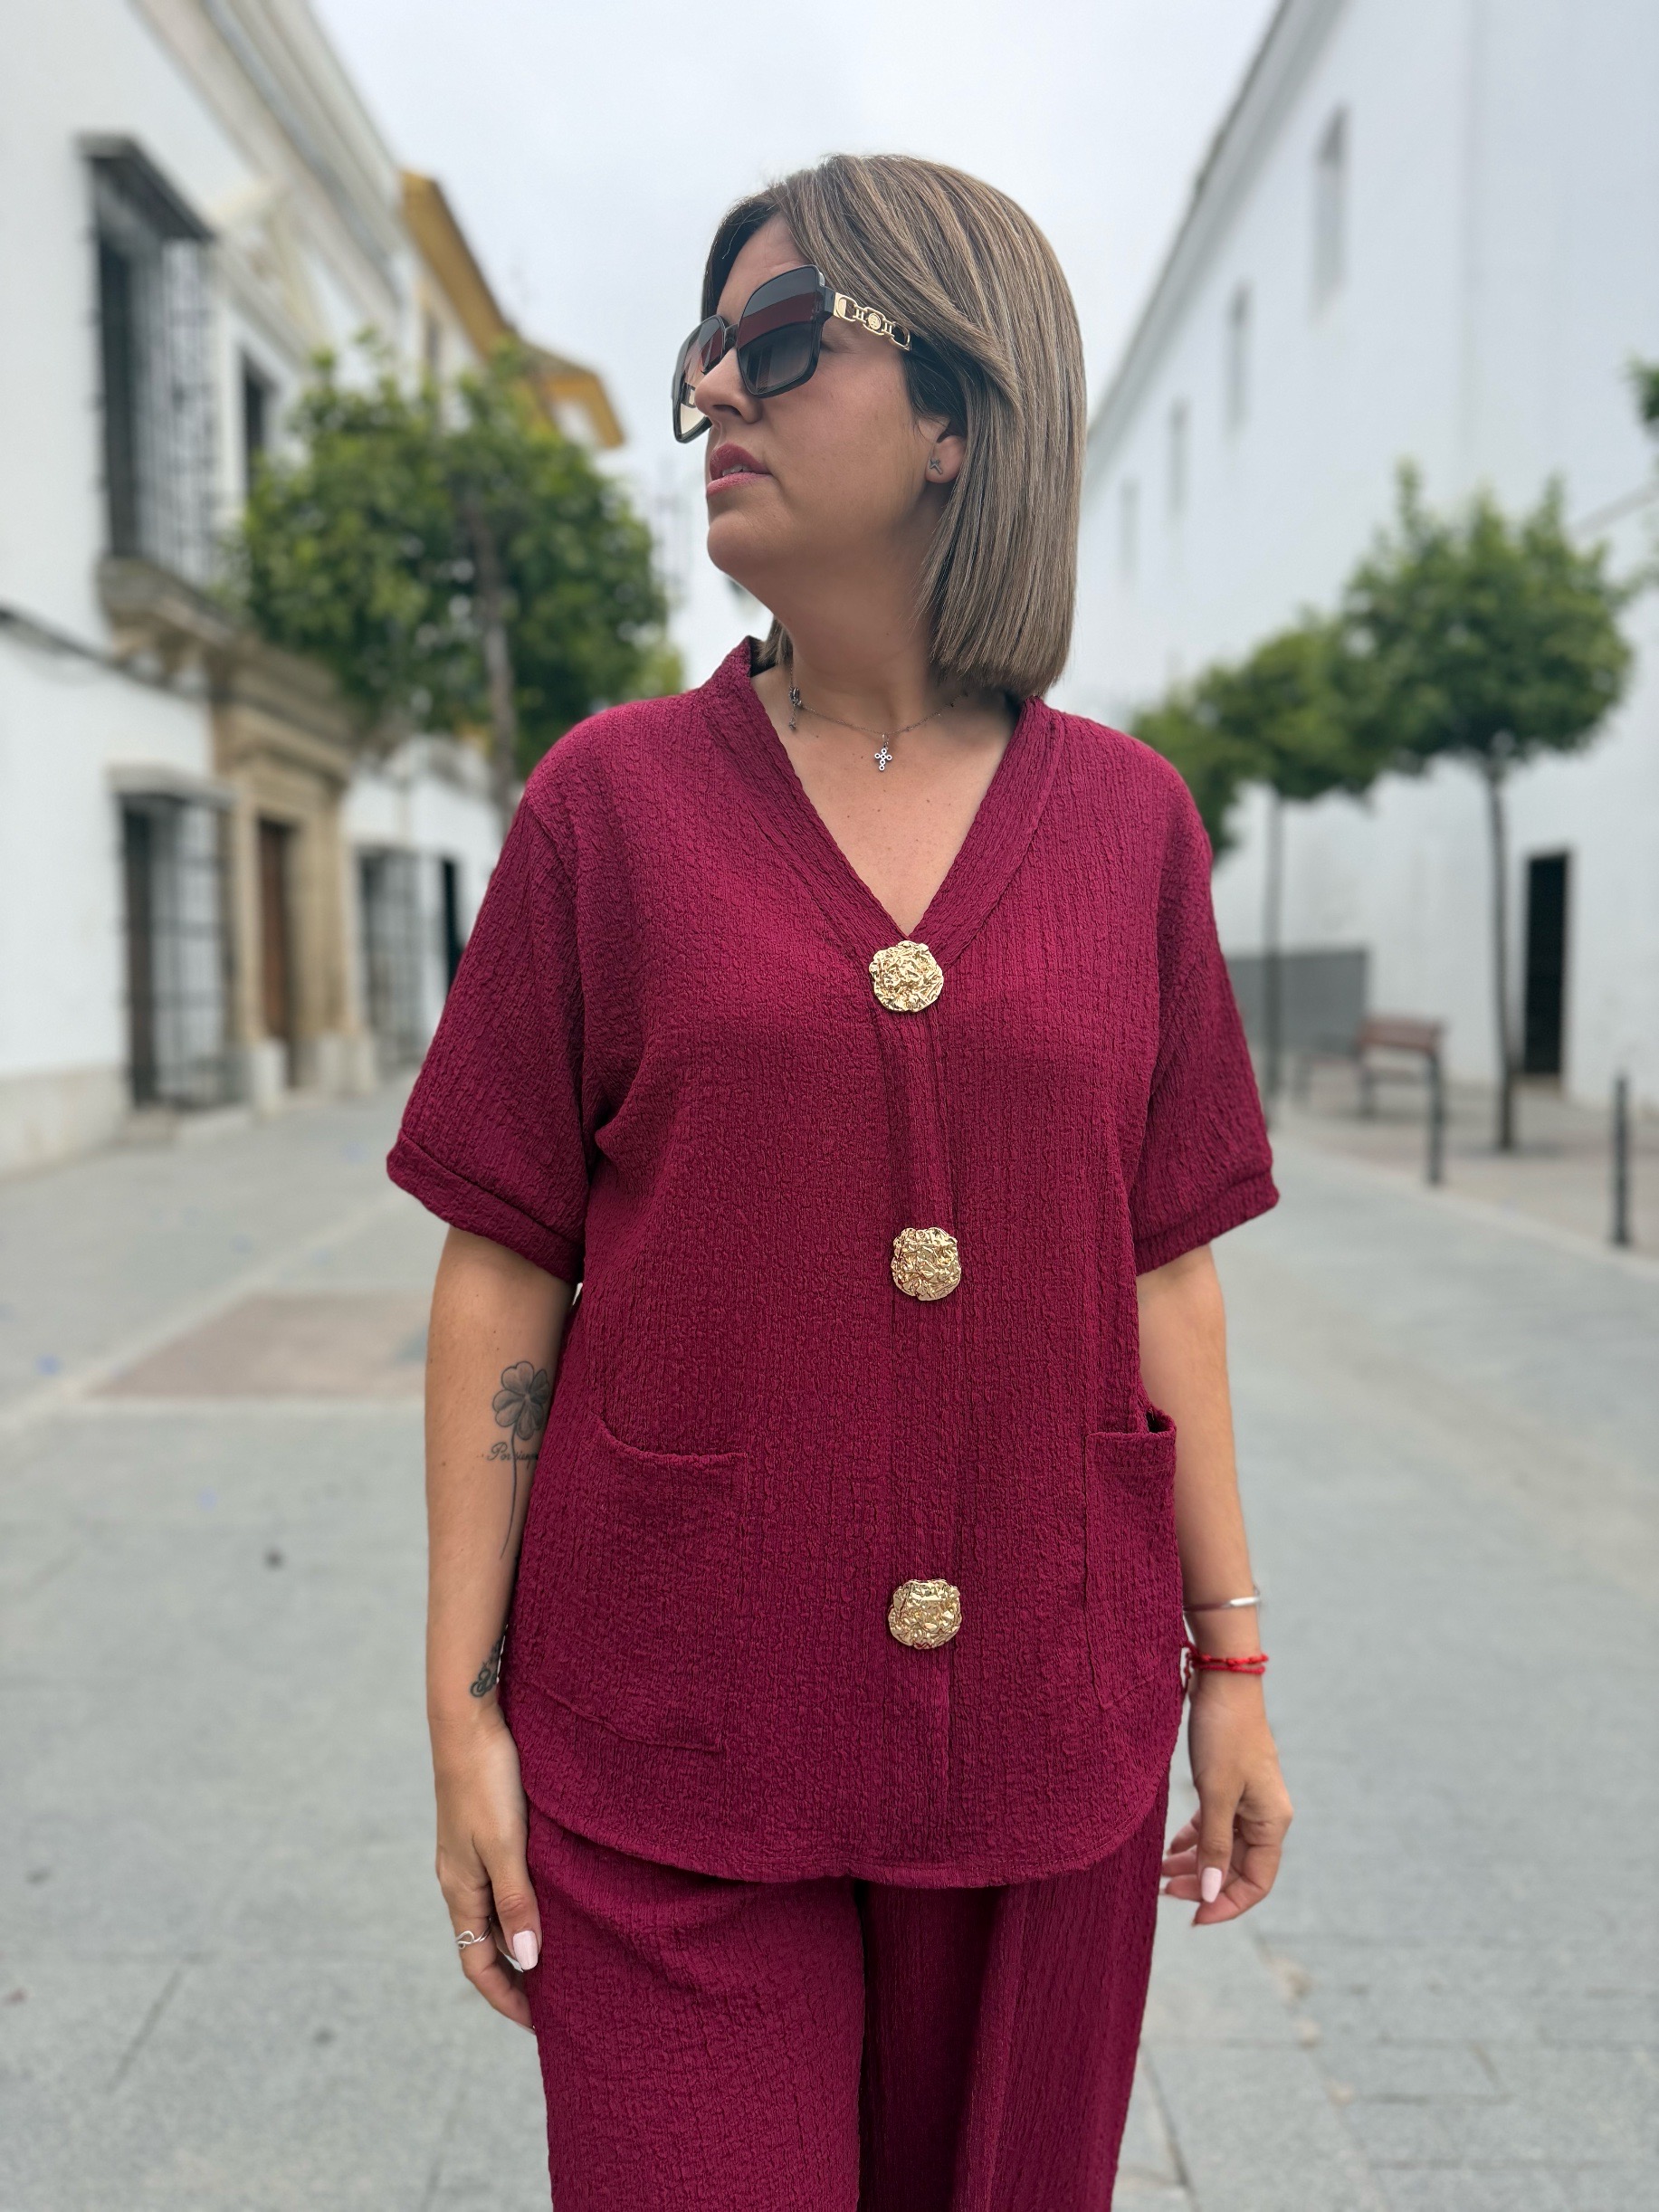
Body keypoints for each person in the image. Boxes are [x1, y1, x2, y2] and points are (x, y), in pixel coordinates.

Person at [387, 151, 1293, 2212]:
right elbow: (500, 1269)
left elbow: (1165, 1271)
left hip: (1046, 1732)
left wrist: (1230, 1671)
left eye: (779, 338)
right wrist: (460, 1716)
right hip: (672, 1742)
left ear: (960, 408)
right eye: (701, 351)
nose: (712, 389)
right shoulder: (607, 808)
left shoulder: (1131, 828)